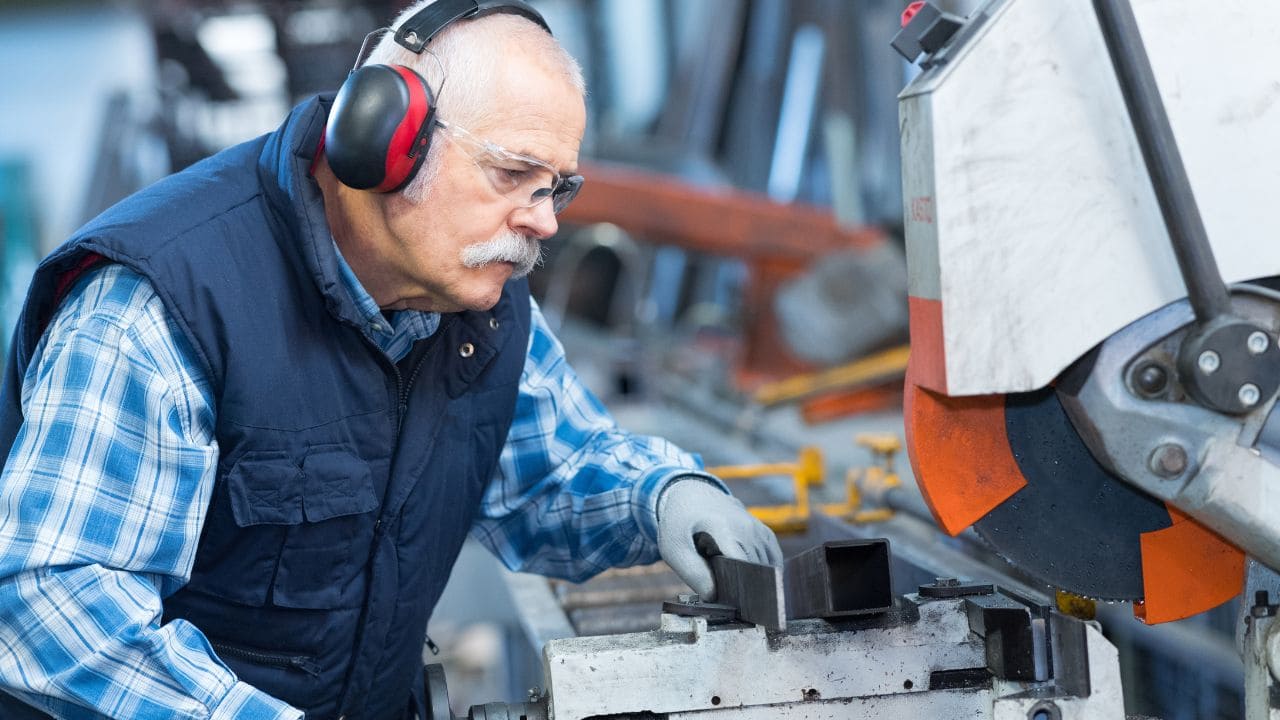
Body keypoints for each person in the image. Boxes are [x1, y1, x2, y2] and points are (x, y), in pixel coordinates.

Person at [0, 1, 782, 718]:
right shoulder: (164, 302)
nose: (543, 222)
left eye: (558, 188)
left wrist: (662, 496)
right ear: (385, 140)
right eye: (514, 175)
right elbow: (52, 603)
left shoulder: (476, 299)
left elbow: (547, 472)